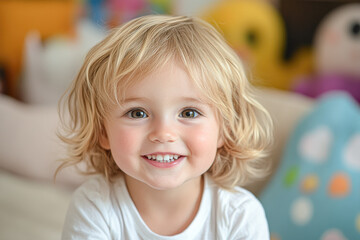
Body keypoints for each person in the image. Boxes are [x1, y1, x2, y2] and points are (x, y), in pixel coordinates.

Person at [57, 15, 273, 239]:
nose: (163, 134)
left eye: (189, 113)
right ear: (102, 131)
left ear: (225, 129)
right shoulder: (94, 207)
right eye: (137, 113)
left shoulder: (239, 215)